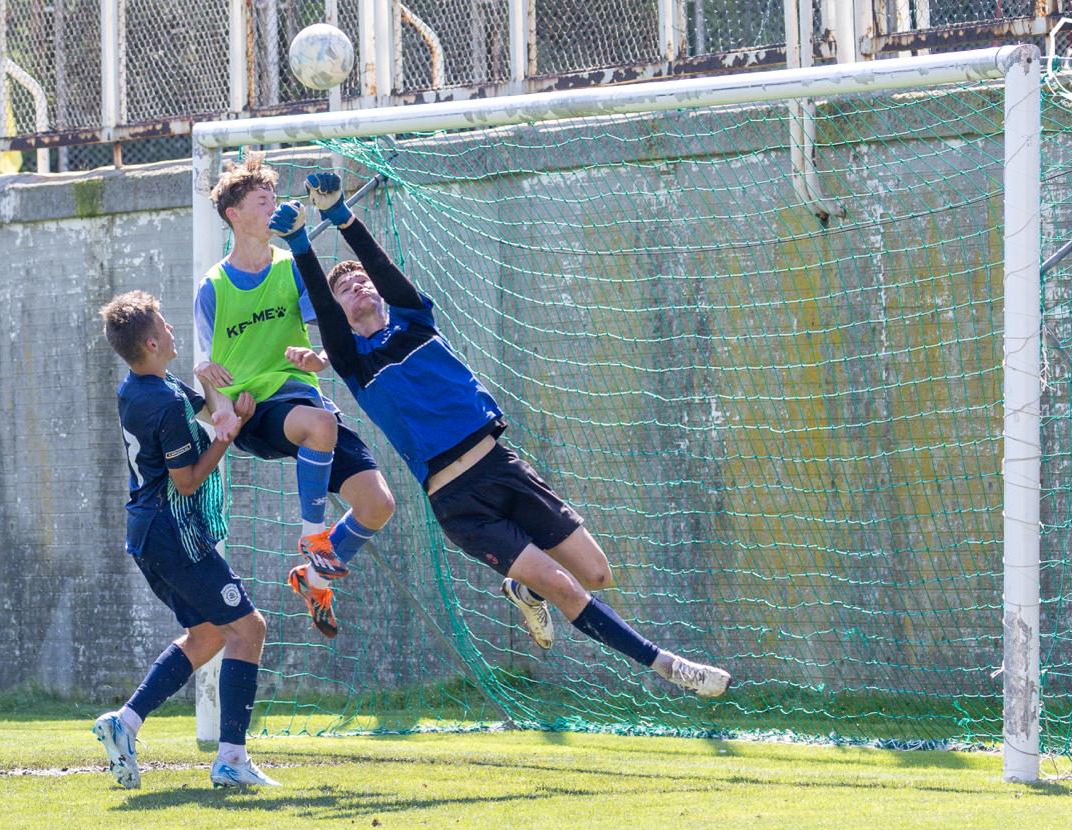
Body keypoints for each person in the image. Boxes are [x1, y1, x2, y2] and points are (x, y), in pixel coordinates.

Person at [266, 173, 732, 698]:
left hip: (503, 467)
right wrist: (300, 243)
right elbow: (327, 318)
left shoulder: (416, 323)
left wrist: (342, 216)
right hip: (458, 501)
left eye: (361, 282)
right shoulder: (355, 363)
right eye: (343, 290)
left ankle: (523, 589)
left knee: (597, 574)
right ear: (338, 314)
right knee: (563, 587)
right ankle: (670, 666)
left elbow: (384, 270)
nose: (356, 287)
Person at [196, 154, 396, 638]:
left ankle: (312, 580)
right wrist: (222, 414)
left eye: (274, 199)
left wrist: (319, 358)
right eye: (262, 202)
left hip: (304, 402)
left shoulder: (292, 268)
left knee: (377, 504)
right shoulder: (213, 288)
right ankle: (313, 539)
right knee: (321, 425)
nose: (274, 207)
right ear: (234, 215)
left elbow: (331, 330)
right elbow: (207, 373)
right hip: (255, 412)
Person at [92, 290, 278, 789]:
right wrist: (226, 438)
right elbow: (188, 480)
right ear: (152, 343)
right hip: (174, 534)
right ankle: (231, 759)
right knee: (249, 629)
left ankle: (124, 723)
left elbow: (209, 411)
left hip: (147, 533)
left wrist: (214, 392)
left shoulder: (140, 385)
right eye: (165, 324)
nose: (173, 329)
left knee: (210, 634)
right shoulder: (165, 401)